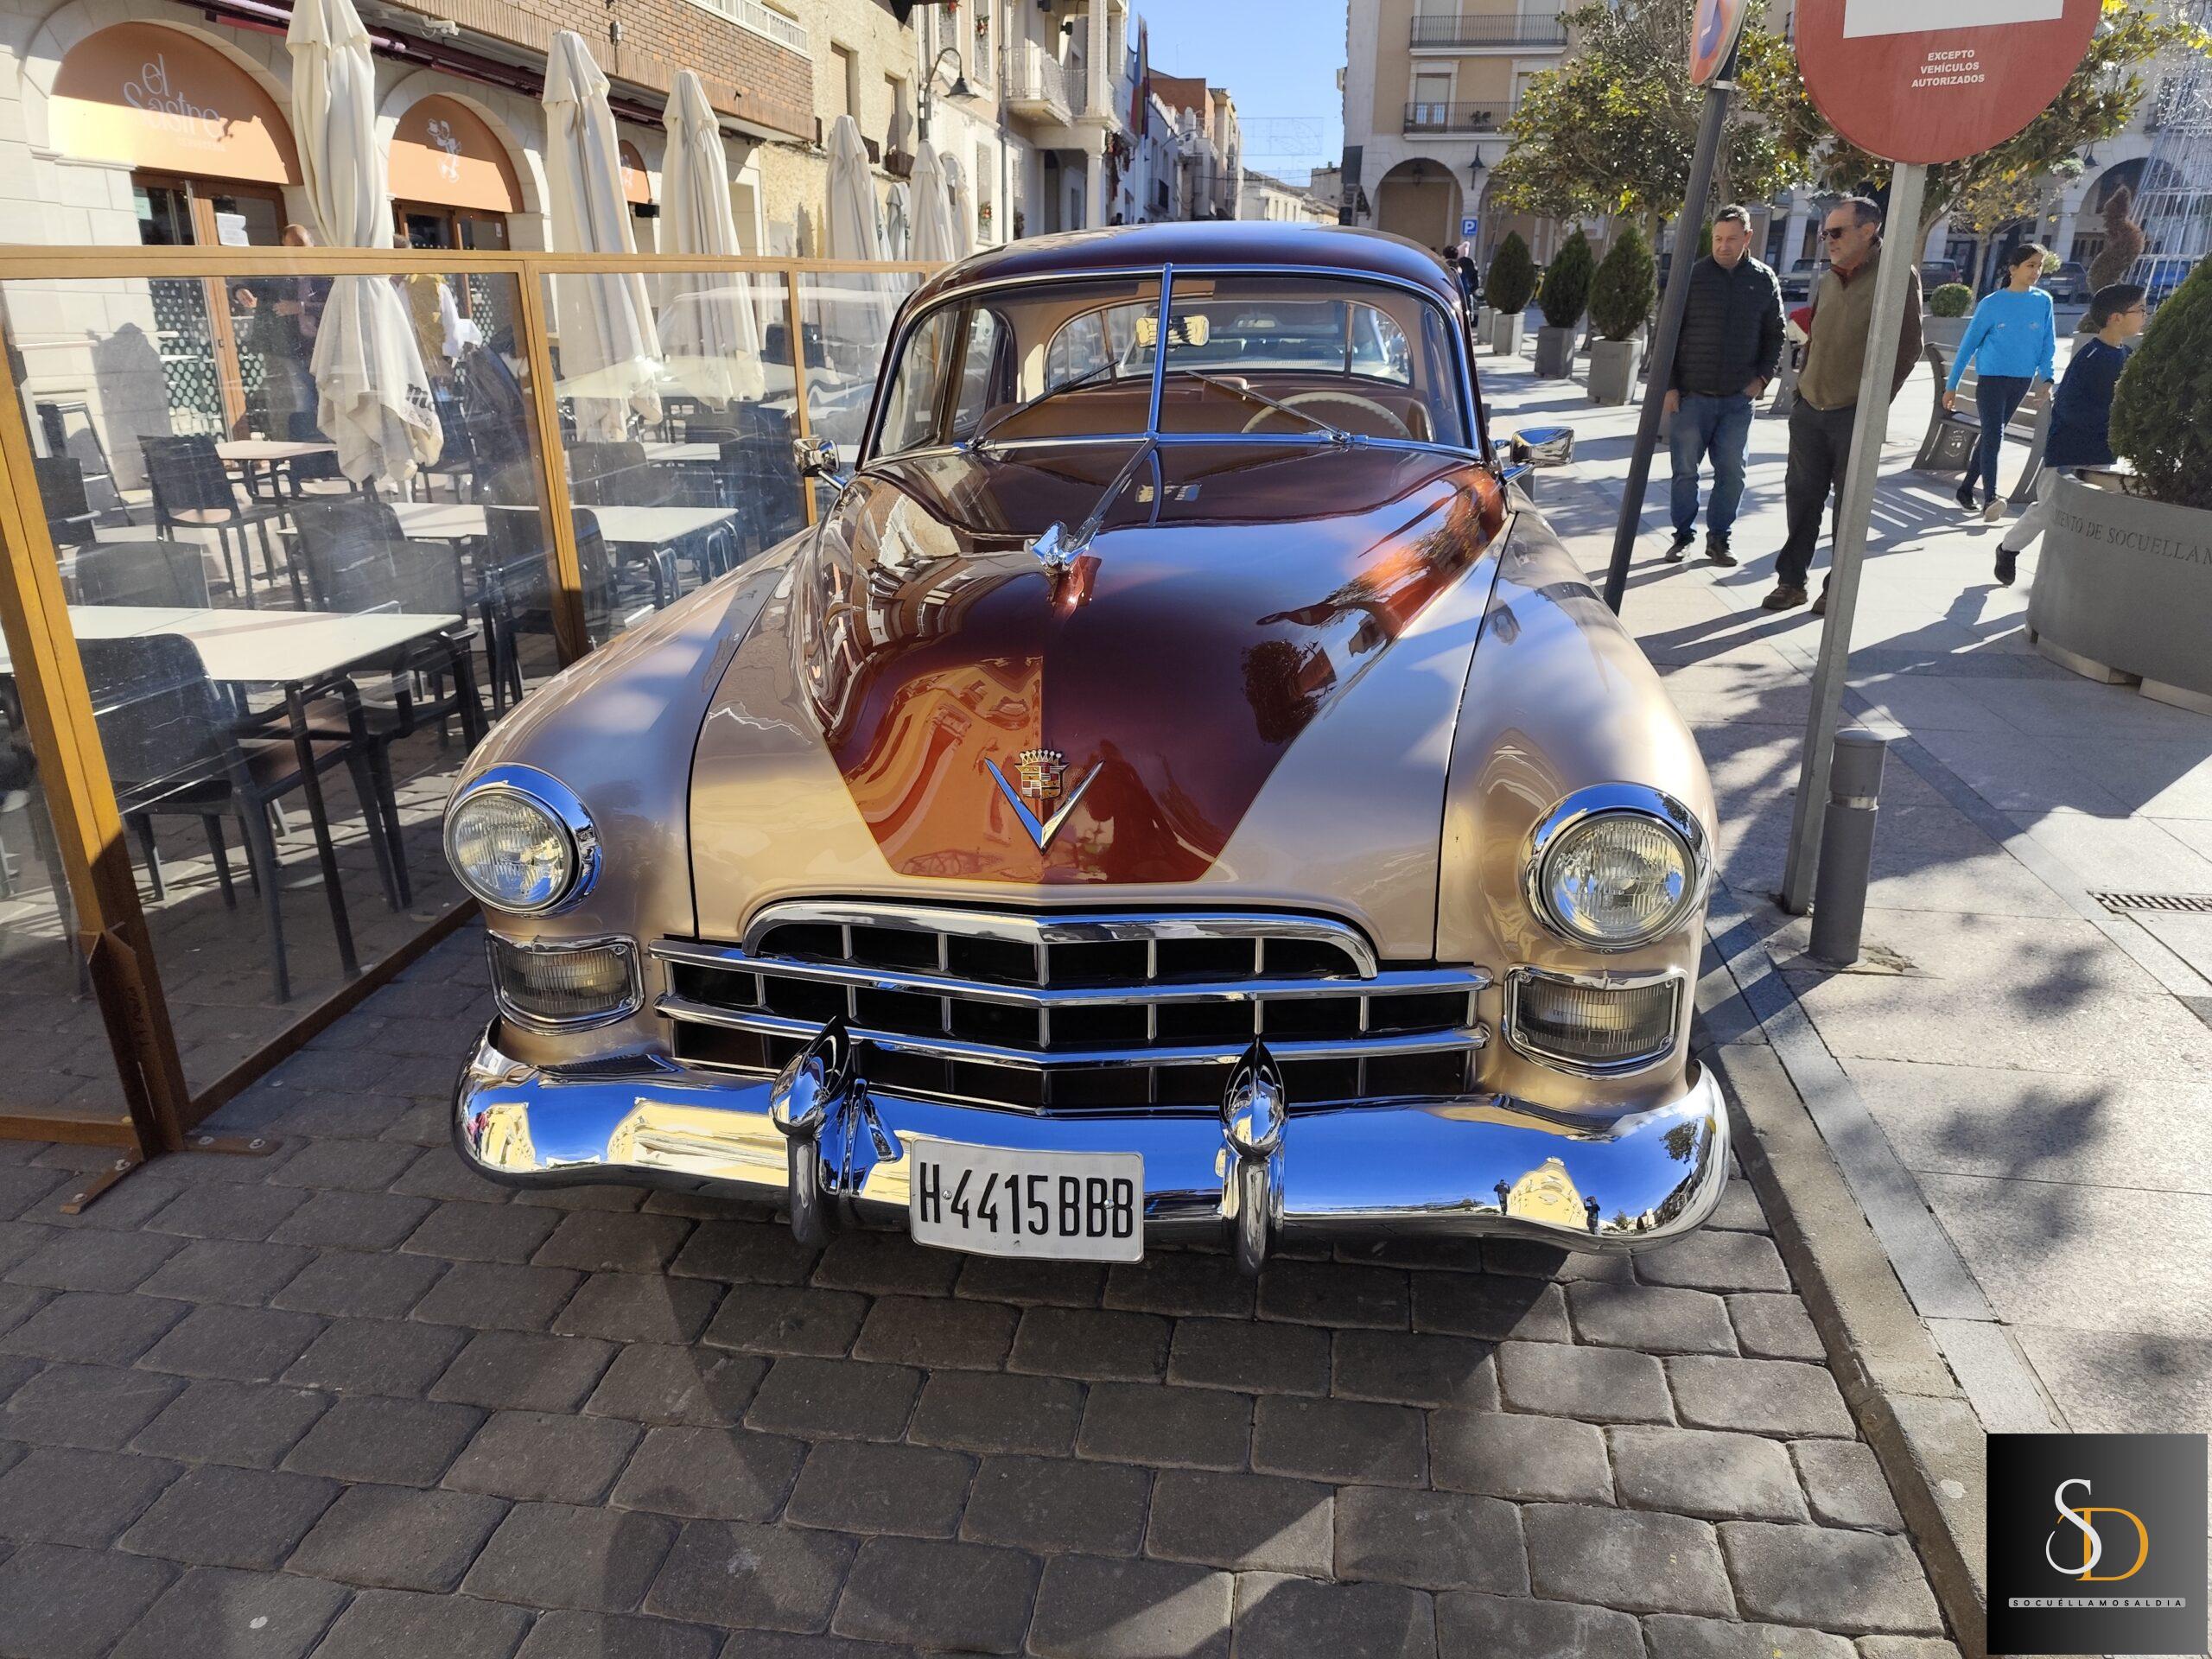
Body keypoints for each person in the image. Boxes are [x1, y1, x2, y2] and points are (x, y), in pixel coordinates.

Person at [1763, 196, 1923, 613]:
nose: (1827, 240)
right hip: (1810, 408)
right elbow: (1816, 331)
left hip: (1854, 413)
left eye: (1836, 232)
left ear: (1868, 231)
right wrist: (1802, 386)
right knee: (1801, 500)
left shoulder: (1895, 276)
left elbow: (1908, 347)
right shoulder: (1830, 278)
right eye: (1824, 233)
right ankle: (1791, 583)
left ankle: (1837, 587)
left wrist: (1874, 406)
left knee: (1848, 509)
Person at [1990, 282, 2145, 587]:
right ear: (2115, 317)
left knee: (2089, 514)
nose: (2145, 315)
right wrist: (2113, 425)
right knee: (2049, 510)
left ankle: (2072, 576)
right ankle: (2008, 548)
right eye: (2139, 310)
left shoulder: (2123, 354)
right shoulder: (2092, 357)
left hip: (2100, 452)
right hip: (2069, 450)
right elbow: (2069, 407)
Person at [1662, 204, 1783, 567]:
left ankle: (1719, 539)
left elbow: (1775, 335)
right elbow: (1668, 333)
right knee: (1685, 472)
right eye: (1717, 238)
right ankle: (1682, 536)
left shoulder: (1763, 279)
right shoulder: (1691, 276)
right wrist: (1669, 387)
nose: (1723, 246)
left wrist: (1762, 378)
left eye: (1731, 239)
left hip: (1736, 401)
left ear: (1748, 237)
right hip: (1691, 397)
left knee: (1732, 473)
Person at [1943, 243, 2056, 520]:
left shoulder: (2043, 301)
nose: (2036, 271)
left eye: (2039, 266)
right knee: (1995, 434)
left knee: (1992, 435)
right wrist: (1952, 385)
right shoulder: (1992, 304)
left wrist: (2047, 378)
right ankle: (1991, 498)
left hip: (2021, 381)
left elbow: (2047, 343)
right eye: (2031, 265)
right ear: (2013, 269)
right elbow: (1968, 345)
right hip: (1992, 380)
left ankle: (1966, 489)